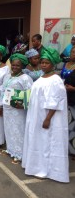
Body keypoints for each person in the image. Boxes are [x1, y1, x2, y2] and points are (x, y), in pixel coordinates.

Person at [22, 48, 69, 183]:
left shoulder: (55, 80)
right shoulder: (42, 77)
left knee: (47, 142)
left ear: (53, 64)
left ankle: (46, 170)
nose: (43, 65)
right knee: (38, 141)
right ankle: (36, 166)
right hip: (36, 115)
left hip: (47, 116)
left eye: (46, 63)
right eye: (42, 62)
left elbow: (55, 101)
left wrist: (48, 118)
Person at [0, 54, 33, 164]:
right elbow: (3, 91)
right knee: (9, 130)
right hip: (8, 109)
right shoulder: (8, 76)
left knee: (19, 131)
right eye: (13, 65)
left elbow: (30, 94)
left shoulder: (25, 78)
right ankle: (11, 150)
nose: (15, 67)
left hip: (19, 111)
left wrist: (23, 105)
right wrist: (1, 106)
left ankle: (20, 154)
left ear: (22, 66)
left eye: (18, 65)